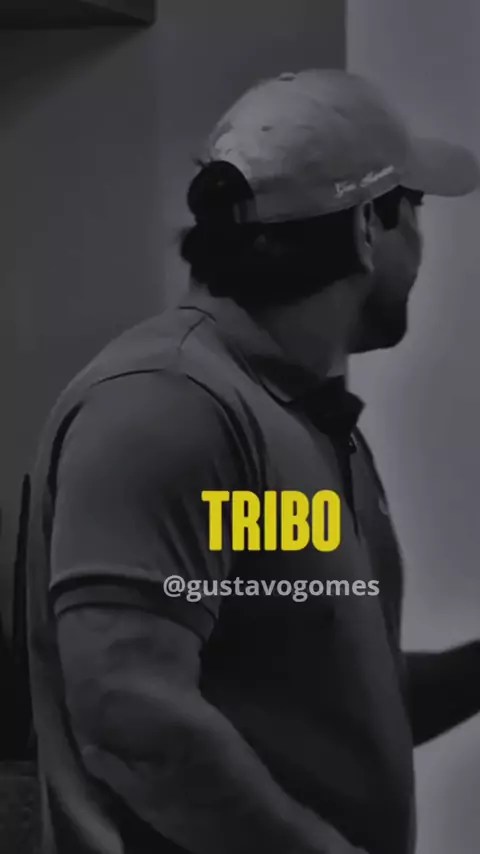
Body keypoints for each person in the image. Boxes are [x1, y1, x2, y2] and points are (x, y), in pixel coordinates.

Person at [26, 70, 480, 854]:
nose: (421, 243)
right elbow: (135, 723)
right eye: (414, 210)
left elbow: (330, 714)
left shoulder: (297, 416)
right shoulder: (168, 403)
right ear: (367, 227)